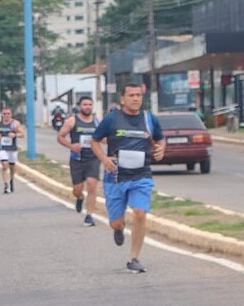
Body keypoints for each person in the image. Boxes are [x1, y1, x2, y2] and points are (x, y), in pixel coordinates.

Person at [90, 83, 166, 273]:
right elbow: (94, 140)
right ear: (122, 99)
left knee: (140, 213)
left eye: (138, 95)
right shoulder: (111, 119)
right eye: (131, 95)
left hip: (141, 175)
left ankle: (134, 258)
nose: (135, 98)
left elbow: (160, 138)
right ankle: (118, 228)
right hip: (115, 176)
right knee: (115, 222)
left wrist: (161, 148)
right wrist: (104, 158)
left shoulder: (149, 119)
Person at [56, 95, 101, 227]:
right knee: (77, 189)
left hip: (93, 158)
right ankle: (80, 197)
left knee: (92, 185)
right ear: (79, 106)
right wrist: (71, 146)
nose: (87, 107)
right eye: (85, 104)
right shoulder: (71, 121)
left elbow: (103, 138)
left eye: (90, 104)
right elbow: (60, 137)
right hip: (77, 159)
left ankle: (89, 216)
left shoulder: (97, 121)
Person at [0, 107, 24, 193]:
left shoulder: (15, 123)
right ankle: (5, 184)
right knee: (4, 165)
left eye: (8, 113)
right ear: (2, 114)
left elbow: (22, 134)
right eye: (4, 114)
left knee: (12, 166)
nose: (6, 115)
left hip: (12, 148)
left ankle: (11, 179)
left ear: (11, 114)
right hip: (2, 148)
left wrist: (15, 135)